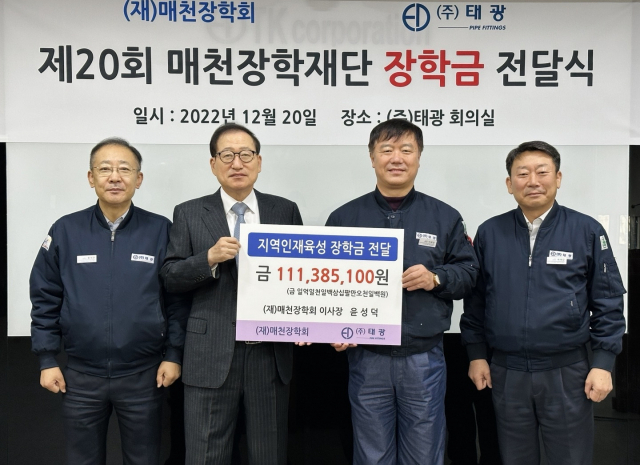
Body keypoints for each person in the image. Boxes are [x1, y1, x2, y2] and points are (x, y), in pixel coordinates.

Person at [460, 141, 626, 465]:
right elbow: (476, 301)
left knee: (571, 458)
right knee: (514, 458)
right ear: (509, 184)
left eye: (542, 172)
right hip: (507, 371)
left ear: (558, 178)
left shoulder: (586, 230)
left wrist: (603, 363)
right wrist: (476, 355)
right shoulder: (490, 233)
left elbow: (608, 301)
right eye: (522, 174)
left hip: (566, 371)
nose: (533, 181)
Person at [326, 118, 478, 465]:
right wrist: (333, 327)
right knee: (372, 455)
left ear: (419, 157)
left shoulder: (445, 217)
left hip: (423, 358)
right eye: (387, 150)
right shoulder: (345, 218)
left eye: (406, 150)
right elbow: (327, 286)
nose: (397, 158)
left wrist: (436, 278)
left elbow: (469, 274)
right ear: (372, 157)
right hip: (367, 358)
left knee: (424, 453)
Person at [30, 138, 189, 465]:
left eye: (124, 169)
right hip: (81, 377)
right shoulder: (66, 230)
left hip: (144, 375)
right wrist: (47, 358)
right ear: (91, 178)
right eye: (105, 169)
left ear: (138, 179)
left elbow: (177, 299)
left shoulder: (161, 230)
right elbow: (45, 296)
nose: (115, 177)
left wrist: (174, 354)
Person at [160, 122, 304, 465]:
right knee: (205, 455)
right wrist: (208, 258)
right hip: (209, 352)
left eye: (246, 154)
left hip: (269, 353)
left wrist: (305, 321)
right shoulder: (189, 212)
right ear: (213, 164)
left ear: (259, 162)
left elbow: (302, 275)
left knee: (269, 455)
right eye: (227, 155)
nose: (237, 163)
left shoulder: (284, 210)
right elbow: (170, 277)